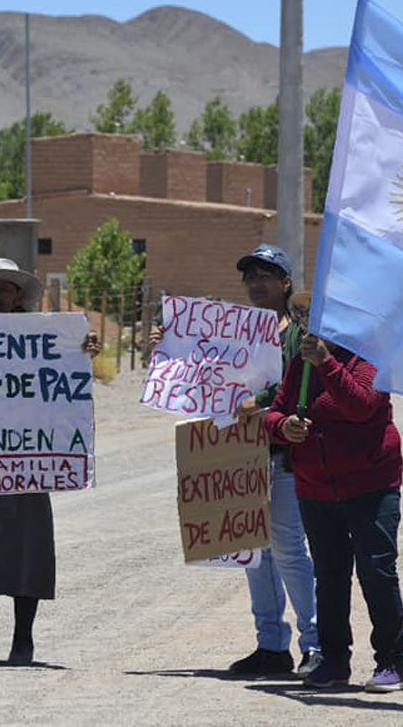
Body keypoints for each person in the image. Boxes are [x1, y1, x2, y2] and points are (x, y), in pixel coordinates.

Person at [147, 244, 319, 678]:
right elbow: (197, 370)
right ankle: (271, 646)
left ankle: (315, 643)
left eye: (266, 274)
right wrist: (165, 347)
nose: (256, 283)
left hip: (282, 454)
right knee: (254, 550)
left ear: (286, 283)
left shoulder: (297, 333)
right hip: (239, 454)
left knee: (287, 548)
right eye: (250, 276)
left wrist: (259, 401)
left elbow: (298, 384)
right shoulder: (233, 331)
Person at [0, 257, 100, 666]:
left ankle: (22, 642)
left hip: (25, 458)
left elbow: (77, 377)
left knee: (27, 549)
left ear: (17, 297)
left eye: (3, 289)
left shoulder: (44, 337)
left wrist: (82, 352)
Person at [265, 332, 403, 693]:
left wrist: (327, 362)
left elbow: (360, 405)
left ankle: (391, 662)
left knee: (376, 571)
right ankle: (334, 661)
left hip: (371, 485)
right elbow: (276, 412)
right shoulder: (301, 364)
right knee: (329, 575)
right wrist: (284, 427)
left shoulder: (371, 357)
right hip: (316, 487)